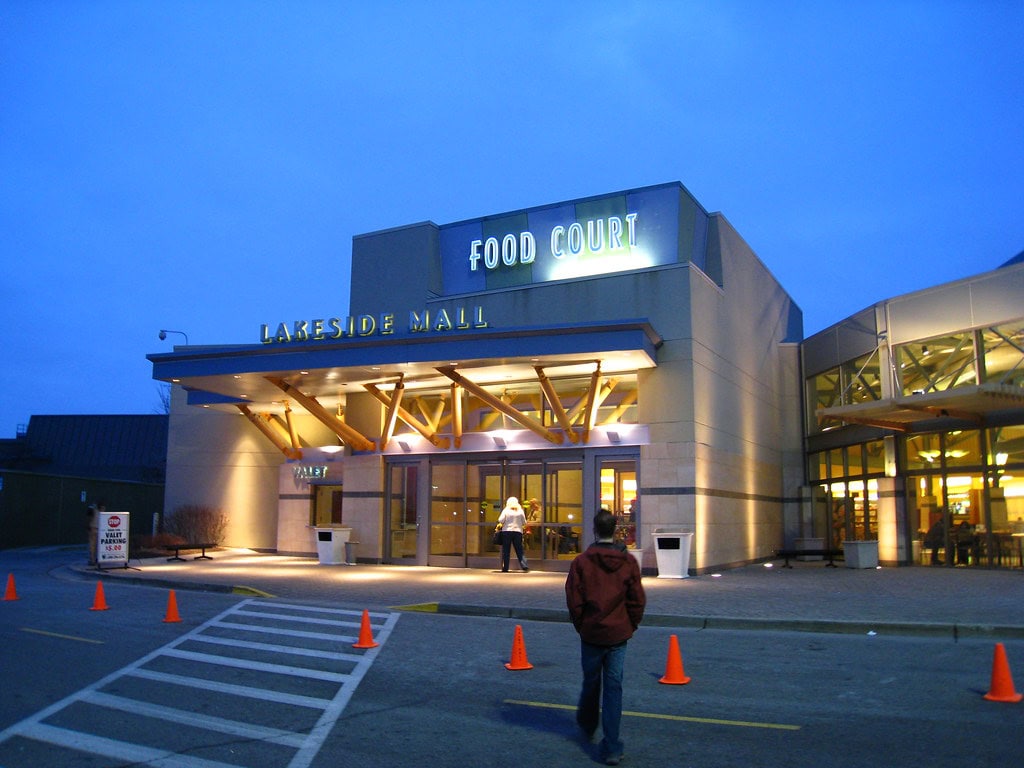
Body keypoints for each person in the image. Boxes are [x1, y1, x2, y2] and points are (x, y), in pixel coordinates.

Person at [565, 509, 646, 766]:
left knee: (591, 683)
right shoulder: (628, 562)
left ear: (594, 530)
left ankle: (587, 725)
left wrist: (583, 626)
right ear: (616, 530)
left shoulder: (581, 562)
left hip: (591, 634)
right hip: (618, 636)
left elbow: (574, 601)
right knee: (614, 689)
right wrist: (629, 625)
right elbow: (637, 600)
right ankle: (612, 747)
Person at [496, 496, 529, 572]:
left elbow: (500, 520)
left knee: (506, 550)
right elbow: (524, 522)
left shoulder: (506, 510)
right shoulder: (520, 511)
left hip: (507, 532)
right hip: (518, 532)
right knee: (519, 550)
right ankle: (524, 565)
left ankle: (505, 568)